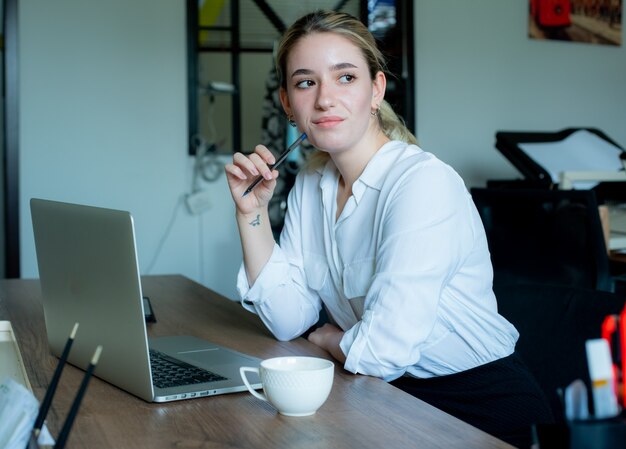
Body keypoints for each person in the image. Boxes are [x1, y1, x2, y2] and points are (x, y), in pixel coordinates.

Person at [225, 10, 553, 448]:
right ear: (287, 103)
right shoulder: (309, 183)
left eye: (345, 77)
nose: (324, 99)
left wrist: (326, 335)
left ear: (375, 90)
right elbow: (288, 320)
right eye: (306, 82)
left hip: (481, 405)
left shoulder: (421, 183)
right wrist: (253, 214)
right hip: (378, 394)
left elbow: (382, 352)